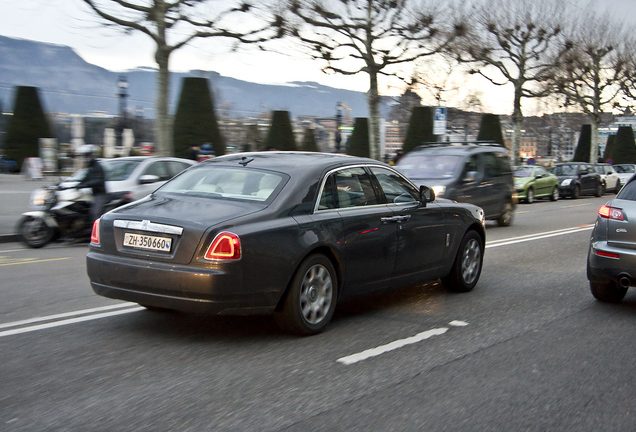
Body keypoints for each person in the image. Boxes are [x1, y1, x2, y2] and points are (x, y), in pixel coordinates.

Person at [76, 145, 107, 226]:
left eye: (87, 155)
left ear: (92, 155)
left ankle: (97, 230)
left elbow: (98, 180)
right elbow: (85, 177)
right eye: (84, 155)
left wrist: (85, 184)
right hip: (92, 194)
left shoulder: (97, 166)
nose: (85, 157)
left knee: (94, 212)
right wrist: (76, 184)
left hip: (100, 194)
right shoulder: (90, 166)